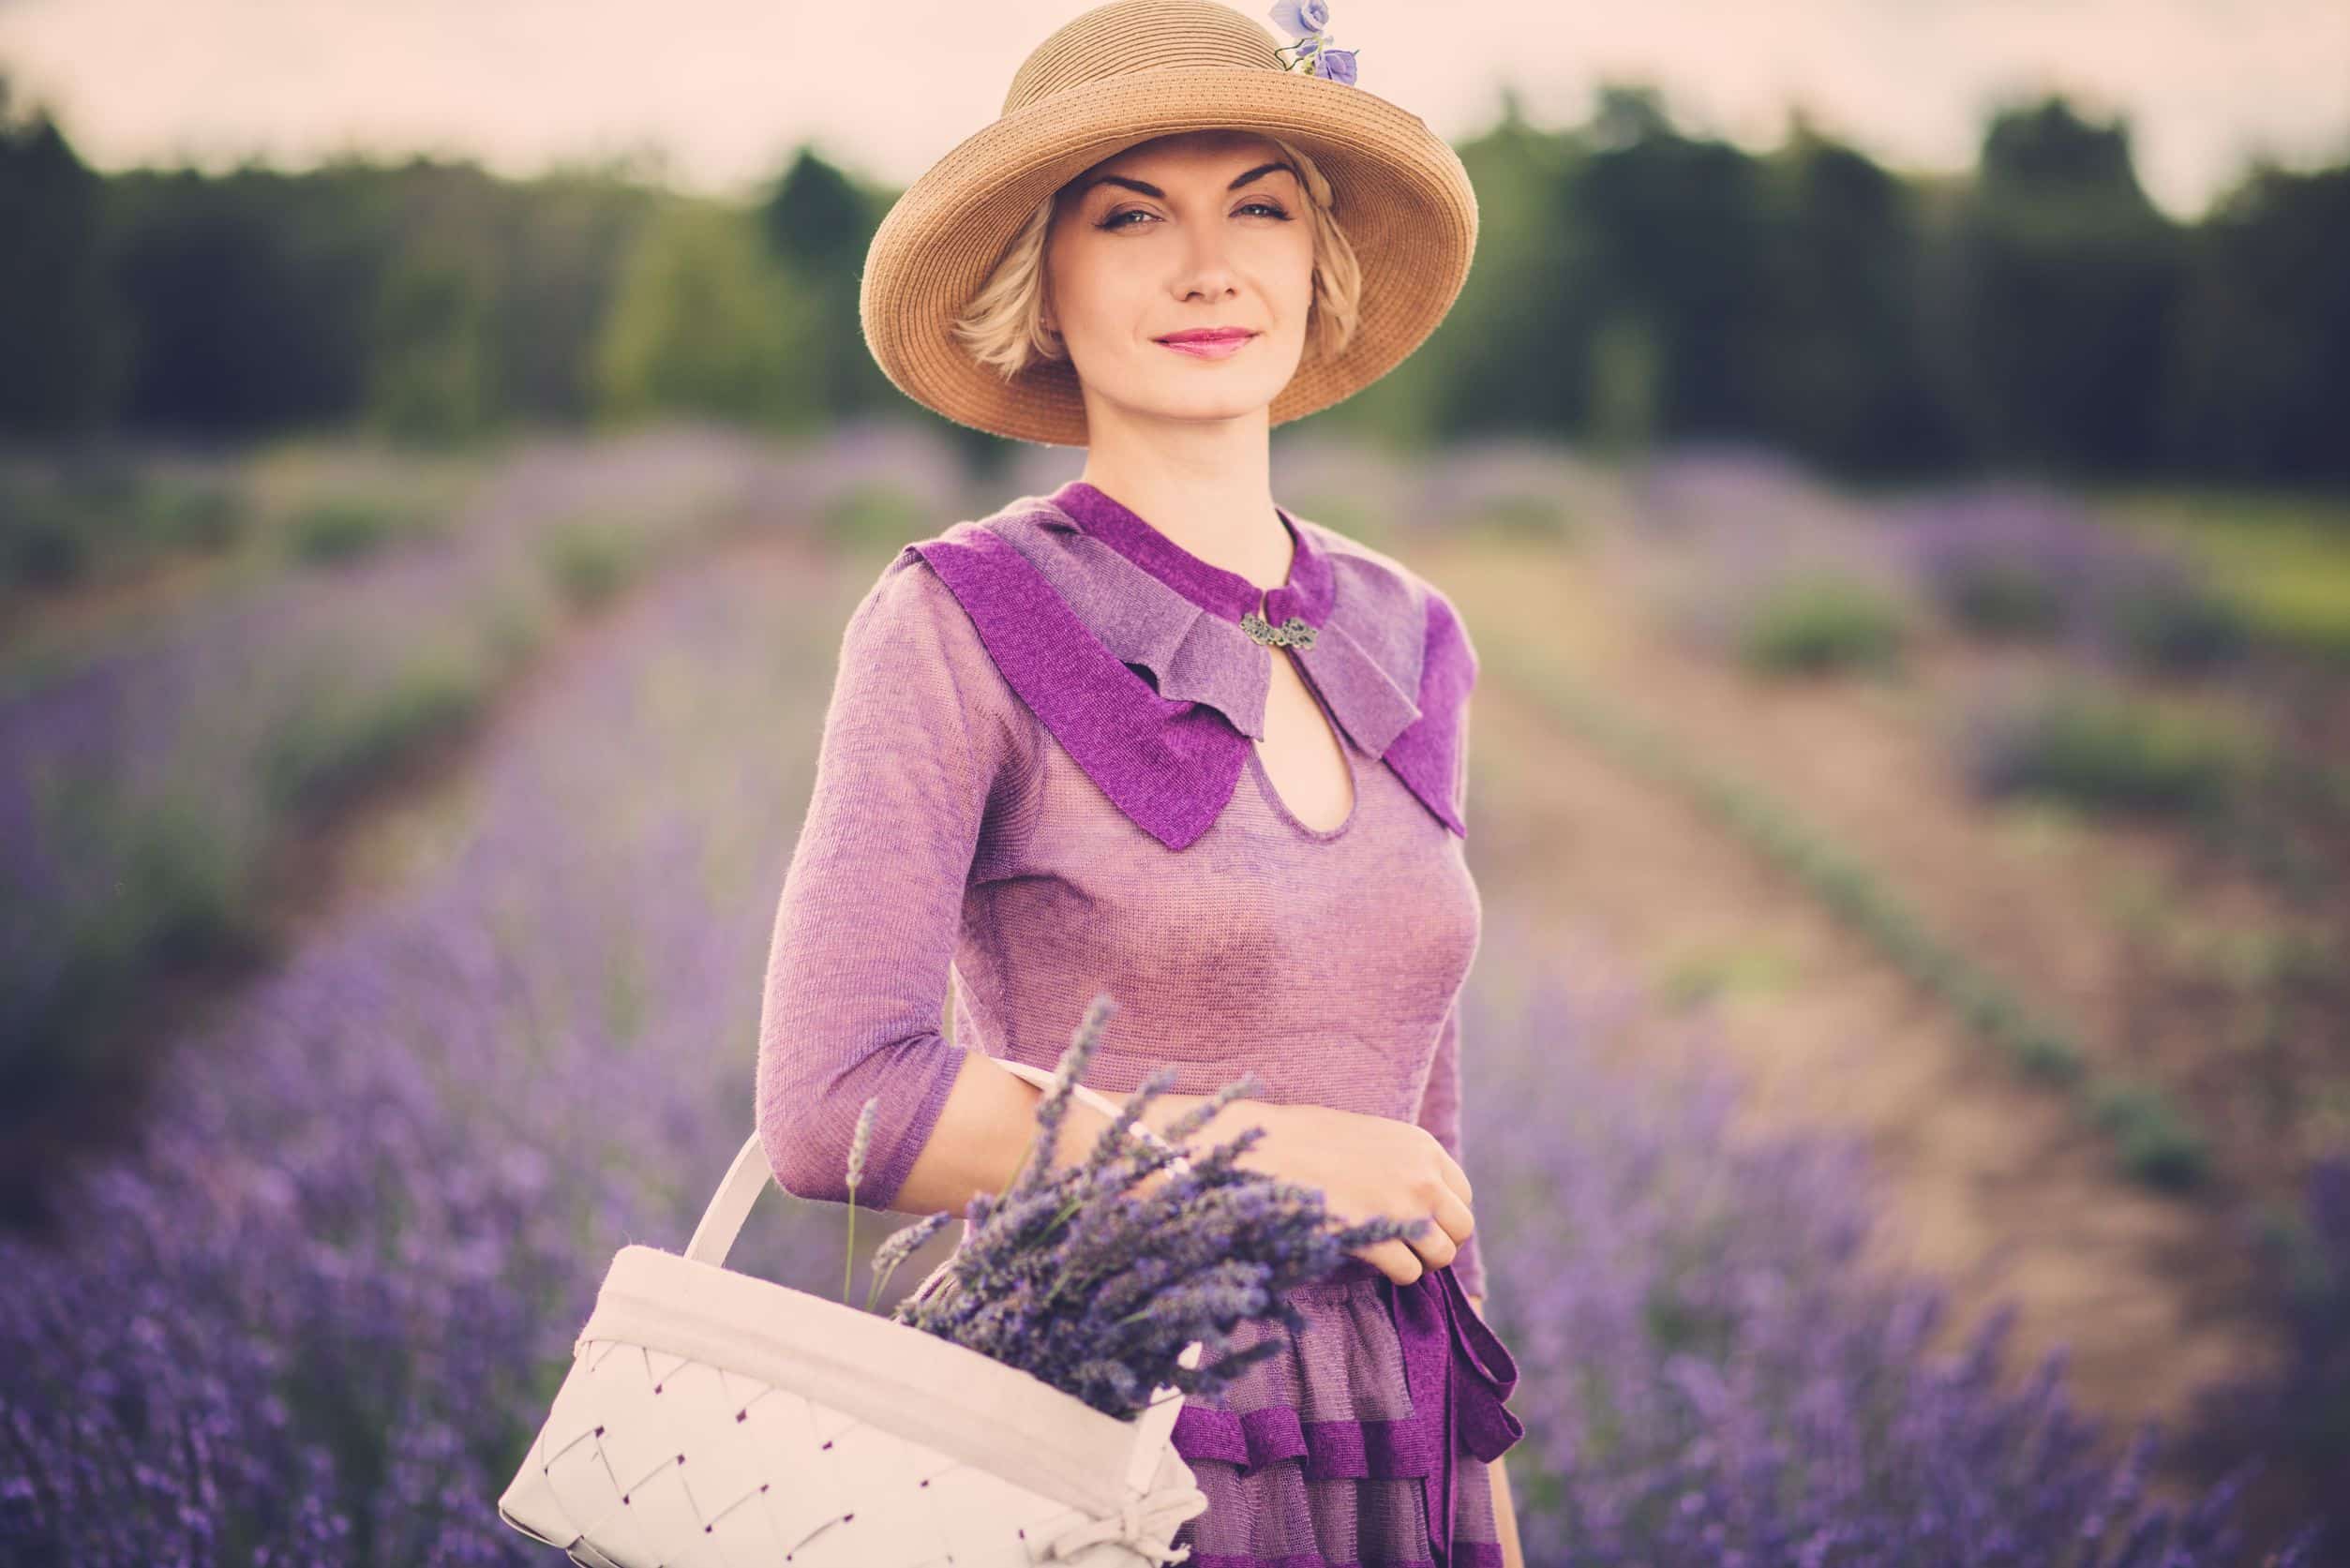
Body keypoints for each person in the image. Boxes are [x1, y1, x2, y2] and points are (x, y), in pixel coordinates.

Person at [755, 1, 1523, 1561]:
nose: (1208, 263)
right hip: (1106, 1444)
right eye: (1131, 214)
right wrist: (1277, 1156)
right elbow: (832, 1103)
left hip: (1395, 1456)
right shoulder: (956, 618)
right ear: (1043, 282)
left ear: (1319, 265)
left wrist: (1486, 1521)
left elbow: (1422, 1154)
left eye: (1260, 203)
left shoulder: (1412, 636)